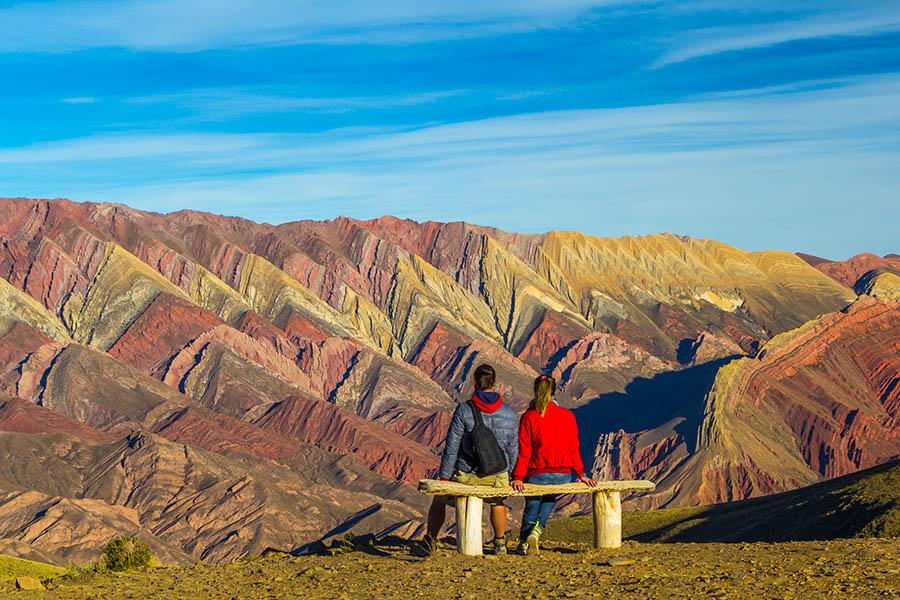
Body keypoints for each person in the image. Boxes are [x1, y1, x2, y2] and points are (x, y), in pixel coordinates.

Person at [413, 363, 518, 556]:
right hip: (496, 477)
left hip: (466, 475)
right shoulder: (510, 414)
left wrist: (444, 478)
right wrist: (509, 473)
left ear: (475, 383)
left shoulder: (464, 411)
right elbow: (513, 449)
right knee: (497, 502)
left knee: (439, 499)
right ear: (494, 383)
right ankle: (500, 542)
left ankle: (431, 540)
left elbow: (452, 447)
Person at [511, 374, 596, 556]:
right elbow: (573, 448)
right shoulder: (567, 416)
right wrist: (581, 473)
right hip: (563, 474)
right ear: (554, 391)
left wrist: (518, 477)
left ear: (535, 391)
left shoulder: (529, 417)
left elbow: (525, 451)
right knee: (549, 499)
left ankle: (523, 543)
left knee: (532, 506)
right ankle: (537, 530)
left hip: (537, 473)